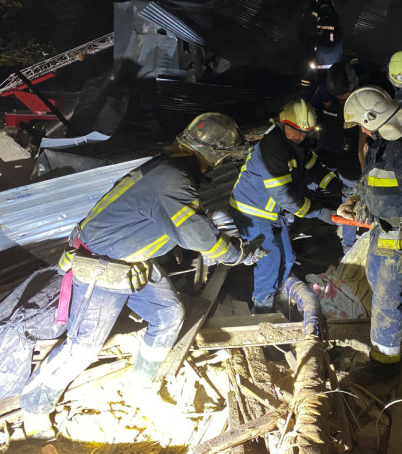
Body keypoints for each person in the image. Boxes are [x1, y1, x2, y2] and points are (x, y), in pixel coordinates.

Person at [21, 113, 264, 438]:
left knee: (168, 314)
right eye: (225, 157)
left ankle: (141, 384)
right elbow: (199, 239)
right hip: (102, 264)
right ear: (216, 155)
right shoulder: (173, 181)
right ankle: (34, 408)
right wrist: (240, 253)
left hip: (132, 259)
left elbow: (184, 220)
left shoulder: (172, 168)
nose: (224, 164)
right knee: (83, 347)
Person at [338, 86, 402, 379]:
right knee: (375, 280)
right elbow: (369, 180)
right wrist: (353, 200)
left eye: (360, 123)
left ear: (371, 120)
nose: (359, 129)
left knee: (385, 298)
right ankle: (398, 326)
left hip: (400, 237)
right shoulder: (381, 143)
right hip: (380, 232)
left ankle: (385, 367)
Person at [229, 100, 343, 313]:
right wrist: (319, 211)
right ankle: (262, 308)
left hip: (272, 211)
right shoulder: (272, 147)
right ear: (283, 123)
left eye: (304, 133)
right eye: (295, 131)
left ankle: (278, 293)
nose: (299, 136)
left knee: (288, 257)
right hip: (252, 211)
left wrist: (341, 188)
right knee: (270, 260)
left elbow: (315, 169)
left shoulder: (299, 145)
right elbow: (284, 196)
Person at [311, 60, 362, 252]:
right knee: (306, 178)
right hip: (325, 149)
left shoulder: (362, 96)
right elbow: (311, 110)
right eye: (338, 97)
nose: (341, 100)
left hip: (348, 156)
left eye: (344, 97)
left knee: (350, 195)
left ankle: (348, 244)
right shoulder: (324, 93)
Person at [299, 0, 344, 96]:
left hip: (319, 65)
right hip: (333, 65)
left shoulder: (317, 15)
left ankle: (308, 93)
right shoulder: (334, 15)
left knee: (318, 88)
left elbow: (307, 23)